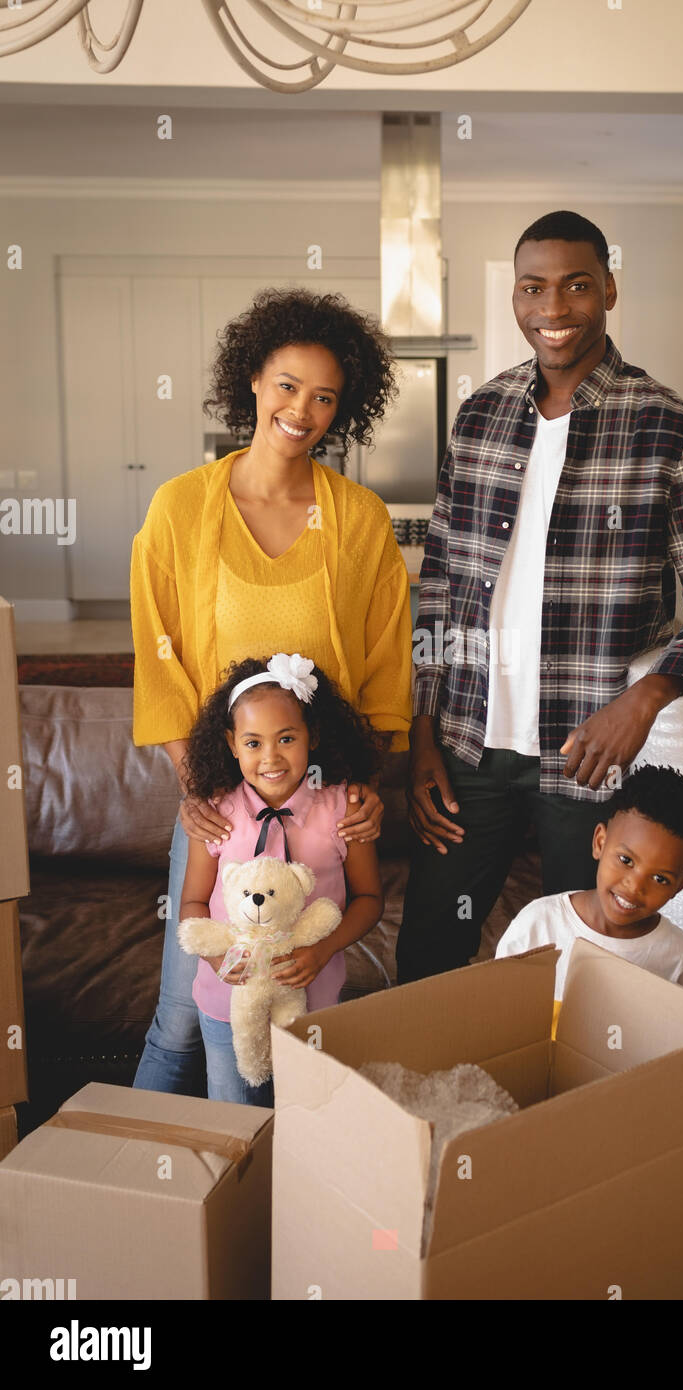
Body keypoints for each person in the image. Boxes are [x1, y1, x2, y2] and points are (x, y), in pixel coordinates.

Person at [397, 209, 683, 984]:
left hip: (587, 758)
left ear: (608, 291)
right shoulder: (480, 416)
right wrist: (422, 733)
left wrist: (648, 697)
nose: (553, 309)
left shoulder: (668, 426)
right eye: (533, 288)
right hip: (469, 745)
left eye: (575, 286)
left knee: (587, 970)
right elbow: (440, 590)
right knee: (429, 952)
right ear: (515, 297)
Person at [132, 288, 411, 1095]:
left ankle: (279, 1187)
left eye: (326, 397)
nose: (302, 409)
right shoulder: (182, 508)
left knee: (298, 1003)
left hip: (323, 810)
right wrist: (198, 789)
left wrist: (367, 789)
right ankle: (146, 1182)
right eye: (287, 385)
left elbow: (387, 669)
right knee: (186, 1013)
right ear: (253, 379)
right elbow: (159, 662)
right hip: (220, 801)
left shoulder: (358, 520)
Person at [178, 653, 384, 1105]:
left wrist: (323, 948)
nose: (270, 757)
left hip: (315, 1005)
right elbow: (192, 905)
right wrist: (220, 961)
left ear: (311, 736)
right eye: (253, 743)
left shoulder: (343, 808)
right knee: (237, 1120)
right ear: (232, 744)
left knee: (311, 1117)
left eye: (286, 738)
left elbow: (369, 898)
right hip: (226, 1006)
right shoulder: (215, 813)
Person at [495, 765, 683, 1035]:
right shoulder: (538, 925)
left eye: (660, 879)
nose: (634, 886)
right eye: (626, 860)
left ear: (681, 885)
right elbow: (497, 1015)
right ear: (599, 842)